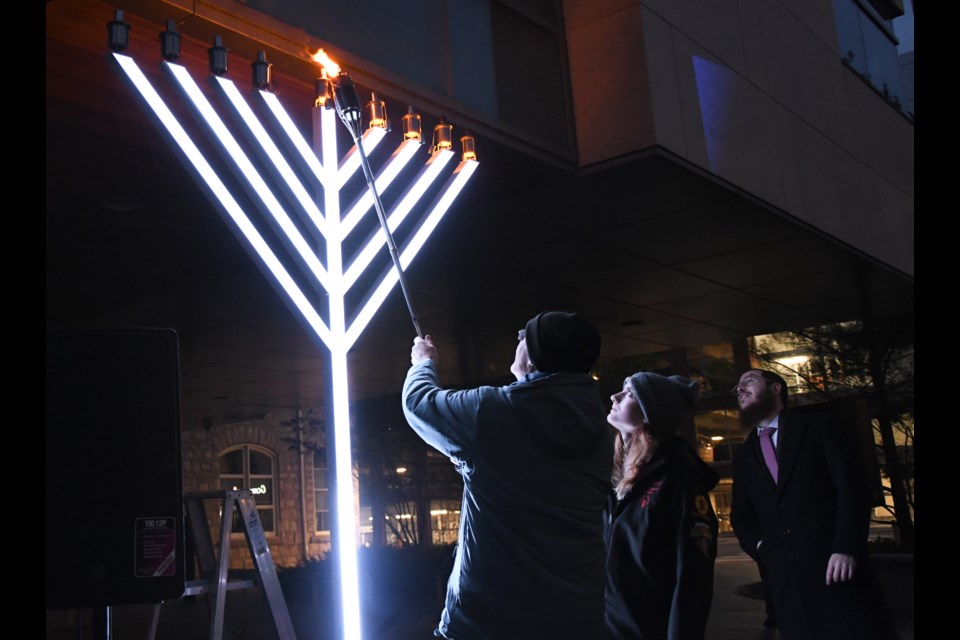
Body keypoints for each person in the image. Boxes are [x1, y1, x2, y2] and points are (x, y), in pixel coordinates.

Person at [402, 311, 614, 640]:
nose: (516, 341)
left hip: (489, 620)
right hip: (575, 615)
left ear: (534, 353)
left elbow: (419, 403)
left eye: (523, 335)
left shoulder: (492, 411)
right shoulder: (601, 430)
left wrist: (423, 364)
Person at [729, 368, 898, 640]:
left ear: (776, 389)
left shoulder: (819, 427)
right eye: (737, 387)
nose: (740, 389)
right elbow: (742, 516)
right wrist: (761, 547)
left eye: (749, 381)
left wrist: (846, 547)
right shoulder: (744, 456)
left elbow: (851, 489)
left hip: (836, 568)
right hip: (788, 587)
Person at [603, 371, 719, 640]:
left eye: (630, 393)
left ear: (649, 415)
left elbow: (693, 580)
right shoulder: (619, 481)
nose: (615, 396)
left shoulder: (678, 482)